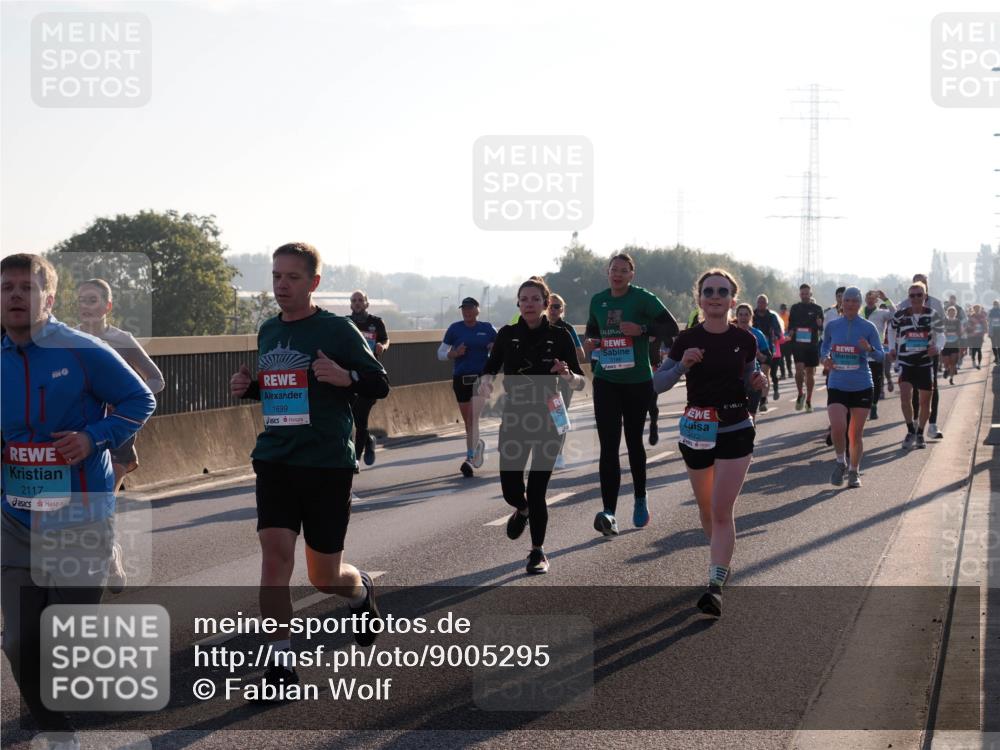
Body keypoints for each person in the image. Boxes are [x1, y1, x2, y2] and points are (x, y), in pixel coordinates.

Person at [2, 254, 156, 747]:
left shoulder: (83, 350)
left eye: (27, 287)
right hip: (16, 517)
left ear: (48, 298)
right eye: (7, 287)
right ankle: (57, 732)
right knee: (19, 639)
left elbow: (141, 399)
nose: (15, 295)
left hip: (80, 512)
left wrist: (94, 437)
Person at [229, 242, 389, 696]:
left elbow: (379, 382)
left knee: (324, 577)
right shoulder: (268, 330)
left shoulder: (336, 330)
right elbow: (282, 388)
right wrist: (250, 387)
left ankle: (360, 592)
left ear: (313, 282)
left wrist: (347, 377)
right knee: (275, 558)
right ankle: (280, 665)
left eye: (292, 277)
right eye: (276, 276)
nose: (281, 285)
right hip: (276, 458)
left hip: (326, 463)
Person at [653, 269, 767, 617]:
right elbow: (657, 384)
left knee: (720, 509)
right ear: (699, 299)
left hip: (735, 429)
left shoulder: (745, 339)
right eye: (708, 291)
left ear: (733, 299)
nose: (715, 296)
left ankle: (714, 585)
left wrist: (759, 382)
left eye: (722, 291)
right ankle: (721, 560)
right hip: (697, 433)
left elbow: (750, 377)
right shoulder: (686, 339)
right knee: (706, 510)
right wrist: (681, 367)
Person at [479, 278, 585, 574]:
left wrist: (567, 375)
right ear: (518, 303)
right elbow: (490, 367)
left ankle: (537, 551)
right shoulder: (507, 334)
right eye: (524, 299)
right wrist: (485, 382)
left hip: (551, 414)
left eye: (535, 299)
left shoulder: (561, 335)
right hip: (516, 413)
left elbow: (581, 381)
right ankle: (522, 508)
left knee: (537, 490)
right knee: (511, 489)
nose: (529, 304)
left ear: (545, 303)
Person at [76, 278, 165, 593]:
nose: (86, 306)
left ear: (107, 306)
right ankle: (107, 553)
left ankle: (110, 559)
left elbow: (156, 380)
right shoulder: (68, 340)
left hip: (117, 436)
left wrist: (123, 400)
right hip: (83, 434)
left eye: (92, 300)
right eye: (81, 300)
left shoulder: (121, 340)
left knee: (102, 502)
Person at [584, 253, 679, 536]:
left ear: (631, 275)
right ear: (607, 272)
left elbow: (672, 328)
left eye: (623, 271)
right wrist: (592, 343)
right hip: (606, 380)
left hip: (637, 381)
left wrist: (642, 329)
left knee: (634, 441)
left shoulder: (643, 299)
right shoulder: (598, 300)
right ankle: (609, 512)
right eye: (614, 269)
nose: (618, 274)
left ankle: (640, 497)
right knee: (608, 447)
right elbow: (592, 331)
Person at [820, 287, 884, 488]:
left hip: (861, 385)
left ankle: (854, 471)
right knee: (838, 427)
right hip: (837, 383)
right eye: (847, 300)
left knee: (855, 434)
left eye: (854, 301)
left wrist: (869, 349)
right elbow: (824, 348)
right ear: (842, 303)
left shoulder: (868, 327)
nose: (850, 304)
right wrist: (825, 359)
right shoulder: (832, 326)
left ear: (859, 304)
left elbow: (881, 356)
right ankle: (841, 462)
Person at [438, 298, 497, 477]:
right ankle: (476, 446)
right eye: (464, 309)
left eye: (470, 308)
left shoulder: (488, 328)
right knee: (468, 422)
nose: (467, 311)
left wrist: (493, 347)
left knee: (472, 418)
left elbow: (501, 350)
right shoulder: (454, 329)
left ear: (477, 310)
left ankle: (469, 458)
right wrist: (455, 353)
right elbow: (440, 353)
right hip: (461, 379)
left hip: (481, 378)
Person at [888, 281, 944, 450]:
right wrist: (892, 348)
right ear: (909, 297)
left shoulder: (932, 314)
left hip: (925, 362)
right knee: (905, 397)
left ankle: (920, 433)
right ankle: (910, 430)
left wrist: (938, 347)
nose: (916, 298)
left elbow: (942, 334)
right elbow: (891, 329)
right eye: (912, 295)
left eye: (919, 295)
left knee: (925, 402)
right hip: (906, 362)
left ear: (925, 296)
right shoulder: (901, 315)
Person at [347, 290, 390, 468]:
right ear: (351, 304)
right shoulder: (346, 323)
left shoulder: (376, 322)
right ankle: (368, 441)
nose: (357, 303)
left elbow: (386, 340)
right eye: (354, 300)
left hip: (371, 375)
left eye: (360, 300)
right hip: (350, 375)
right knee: (353, 416)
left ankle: (355, 459)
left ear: (366, 303)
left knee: (360, 415)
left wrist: (382, 346)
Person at [544, 292, 586, 468]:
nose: (553, 310)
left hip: (564, 378)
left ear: (562, 310)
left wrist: (565, 356)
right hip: (542, 378)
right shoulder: (538, 326)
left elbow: (581, 355)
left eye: (557, 307)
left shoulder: (567, 329)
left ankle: (558, 454)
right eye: (550, 306)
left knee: (559, 416)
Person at [912, 274, 944, 439]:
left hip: (930, 351)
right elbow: (894, 319)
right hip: (911, 352)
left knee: (933, 386)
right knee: (914, 388)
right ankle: (916, 422)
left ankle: (932, 425)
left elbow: (942, 329)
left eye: (922, 283)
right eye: (916, 283)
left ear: (926, 286)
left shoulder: (936, 303)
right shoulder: (907, 303)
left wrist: (938, 347)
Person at [787, 283, 825, 412]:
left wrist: (819, 324)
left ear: (811, 294)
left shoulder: (817, 309)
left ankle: (808, 400)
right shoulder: (795, 308)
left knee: (809, 372)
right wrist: (791, 331)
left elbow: (821, 327)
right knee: (799, 370)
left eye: (806, 294)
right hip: (798, 344)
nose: (804, 296)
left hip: (812, 344)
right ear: (800, 294)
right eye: (802, 294)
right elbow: (790, 324)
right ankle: (800, 393)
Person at [861, 289, 896, 420]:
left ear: (876, 300)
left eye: (873, 298)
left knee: (876, 382)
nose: (870, 300)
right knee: (862, 382)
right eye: (868, 298)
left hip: (876, 352)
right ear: (865, 299)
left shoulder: (882, 313)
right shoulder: (859, 312)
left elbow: (895, 314)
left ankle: (874, 405)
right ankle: (864, 406)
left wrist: (885, 299)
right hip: (861, 353)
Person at [735, 303, 772, 416]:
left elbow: (767, 358)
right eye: (741, 314)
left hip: (753, 379)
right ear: (736, 316)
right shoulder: (730, 334)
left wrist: (758, 354)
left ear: (751, 317)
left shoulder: (757, 334)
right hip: (735, 379)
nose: (743, 317)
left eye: (746, 314)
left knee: (751, 417)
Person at [752, 295, 782, 408]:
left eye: (763, 302)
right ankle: (753, 397)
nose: (761, 304)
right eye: (759, 302)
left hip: (767, 348)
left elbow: (778, 331)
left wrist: (776, 336)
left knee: (765, 373)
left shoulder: (772, 317)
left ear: (767, 304)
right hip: (752, 348)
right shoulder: (752, 315)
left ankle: (763, 400)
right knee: (753, 375)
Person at [941, 307, 962, 384]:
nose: (952, 313)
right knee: (946, 361)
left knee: (953, 362)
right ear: (947, 313)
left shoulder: (957, 321)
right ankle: (946, 369)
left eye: (953, 312)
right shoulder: (944, 321)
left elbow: (960, 332)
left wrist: (953, 333)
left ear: (955, 313)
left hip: (954, 343)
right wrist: (944, 333)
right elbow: (941, 330)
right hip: (945, 344)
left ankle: (951, 379)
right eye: (950, 312)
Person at [965, 304, 987, 370]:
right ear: (973, 309)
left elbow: (985, 324)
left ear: (980, 309)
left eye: (978, 308)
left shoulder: (982, 316)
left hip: (980, 335)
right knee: (974, 349)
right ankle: (974, 361)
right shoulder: (972, 316)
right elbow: (968, 326)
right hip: (973, 336)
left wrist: (985, 331)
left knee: (979, 349)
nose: (977, 309)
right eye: (975, 308)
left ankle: (979, 364)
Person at [989, 300, 1000, 366]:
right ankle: (996, 357)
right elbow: (989, 322)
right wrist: (989, 332)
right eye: (994, 304)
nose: (995, 305)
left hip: (998, 330)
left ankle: (998, 357)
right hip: (993, 330)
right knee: (993, 345)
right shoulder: (990, 312)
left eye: (996, 304)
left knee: (998, 344)